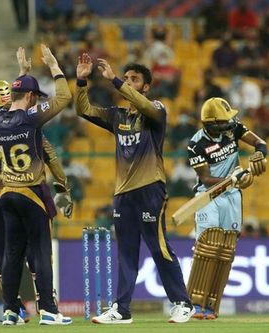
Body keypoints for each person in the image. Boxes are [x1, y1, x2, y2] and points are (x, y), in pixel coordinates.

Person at [0, 48, 73, 324]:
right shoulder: (32, 120)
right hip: (31, 191)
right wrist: (64, 188)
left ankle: (10, 310)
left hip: (1, 194)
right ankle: (48, 309)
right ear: (31, 97)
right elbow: (50, 154)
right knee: (40, 253)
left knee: (7, 255)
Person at [74, 53, 195, 324]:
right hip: (123, 193)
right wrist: (82, 81)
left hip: (150, 188)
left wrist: (116, 80)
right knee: (126, 252)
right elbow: (84, 110)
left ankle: (182, 303)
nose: (129, 82)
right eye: (127, 77)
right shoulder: (117, 116)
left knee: (158, 248)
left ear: (146, 86)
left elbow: (142, 104)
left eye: (134, 79)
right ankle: (122, 309)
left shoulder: (157, 111)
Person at [186, 97, 267, 319]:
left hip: (232, 196)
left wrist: (260, 155)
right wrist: (233, 177)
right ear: (210, 124)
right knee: (207, 247)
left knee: (226, 251)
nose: (229, 124)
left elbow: (261, 143)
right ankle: (194, 304)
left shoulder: (235, 128)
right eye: (223, 121)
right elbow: (205, 177)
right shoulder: (196, 144)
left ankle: (212, 306)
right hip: (209, 196)